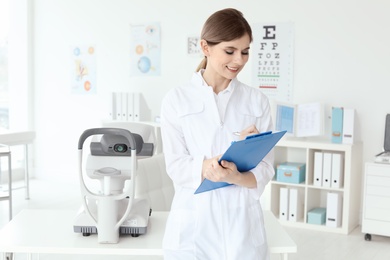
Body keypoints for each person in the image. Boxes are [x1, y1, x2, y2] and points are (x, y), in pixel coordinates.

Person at [160, 8, 274, 260]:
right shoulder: (176, 100)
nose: (239, 60)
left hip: (242, 226)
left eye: (245, 52)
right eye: (230, 51)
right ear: (205, 47)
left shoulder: (257, 101)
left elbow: (266, 168)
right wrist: (210, 165)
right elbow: (176, 165)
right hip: (194, 224)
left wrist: (235, 177)